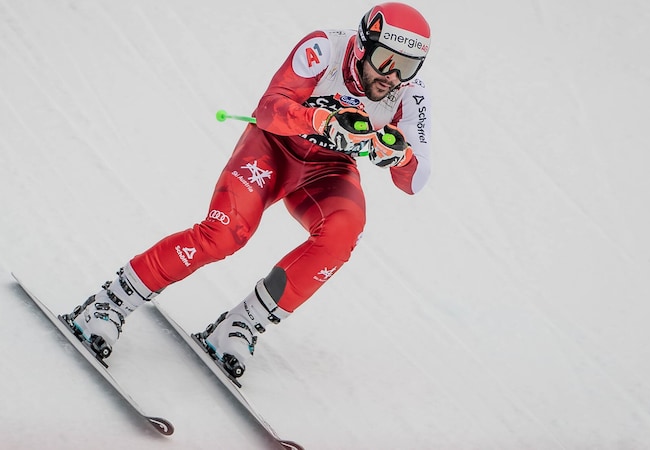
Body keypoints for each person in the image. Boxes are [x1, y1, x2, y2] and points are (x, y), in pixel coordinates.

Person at [65, 2, 433, 380]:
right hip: (272, 147)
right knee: (223, 235)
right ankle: (108, 303)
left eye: (406, 67)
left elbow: (417, 179)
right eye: (386, 60)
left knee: (343, 233)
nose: (392, 76)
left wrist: (399, 157)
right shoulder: (325, 48)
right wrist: (319, 119)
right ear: (362, 45)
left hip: (328, 170)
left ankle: (240, 326)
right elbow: (270, 107)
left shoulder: (411, 94)